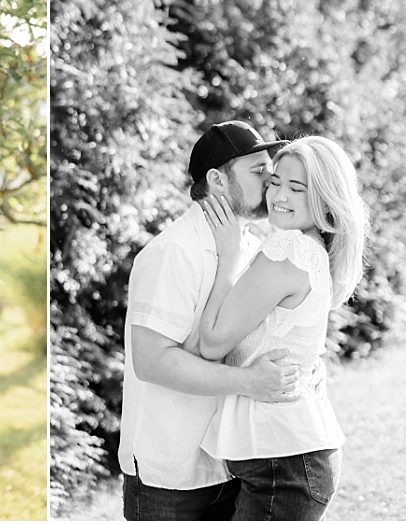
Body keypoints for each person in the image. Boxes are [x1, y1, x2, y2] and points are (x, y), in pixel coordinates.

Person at [119, 121, 306, 521]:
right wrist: (249, 381)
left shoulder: (255, 246)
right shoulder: (172, 252)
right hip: (171, 477)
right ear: (218, 180)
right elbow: (151, 361)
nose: (271, 179)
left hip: (233, 464)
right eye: (258, 170)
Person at [194, 136, 368, 520]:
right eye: (275, 182)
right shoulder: (308, 247)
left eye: (296, 188)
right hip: (285, 459)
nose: (278, 195)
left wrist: (228, 256)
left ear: (323, 199)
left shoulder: (290, 249)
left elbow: (212, 342)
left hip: (284, 463)